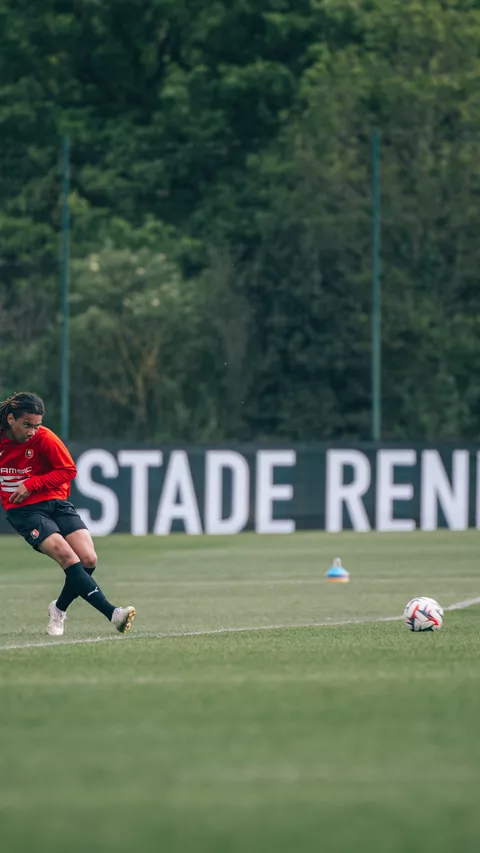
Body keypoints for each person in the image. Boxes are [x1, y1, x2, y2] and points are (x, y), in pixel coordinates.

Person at [0, 391, 135, 637]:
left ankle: (58, 609)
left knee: (88, 559)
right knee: (65, 554)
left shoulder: (44, 438)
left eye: (37, 425)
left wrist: (31, 484)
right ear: (11, 420)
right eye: (26, 425)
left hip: (55, 502)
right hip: (23, 511)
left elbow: (68, 470)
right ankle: (113, 613)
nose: (32, 431)